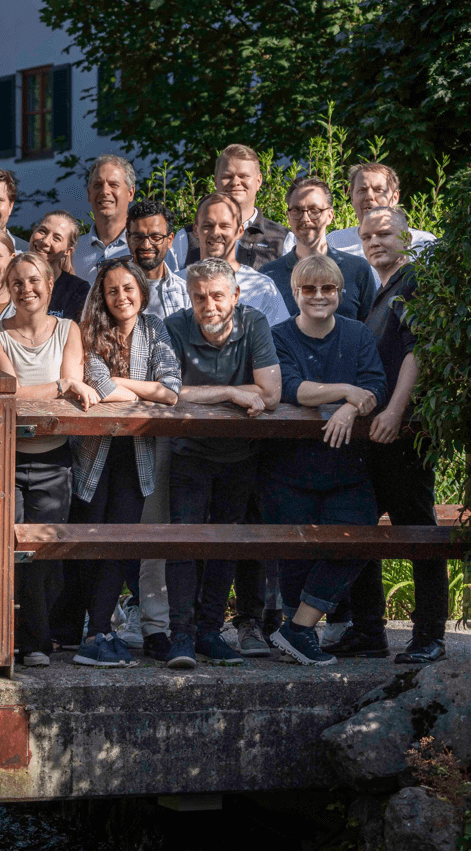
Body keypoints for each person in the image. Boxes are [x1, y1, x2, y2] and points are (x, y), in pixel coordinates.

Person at [322, 208, 447, 664]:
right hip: (372, 436)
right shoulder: (381, 292)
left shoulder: (413, 281)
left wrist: (395, 411)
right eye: (367, 236)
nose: (374, 242)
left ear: (407, 237)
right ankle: (369, 632)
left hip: (404, 434)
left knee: (419, 533)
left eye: (384, 234)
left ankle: (430, 636)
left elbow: (418, 350)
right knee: (359, 528)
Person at [263, 254, 387, 666]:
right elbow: (290, 387)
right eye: (309, 288)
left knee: (358, 536)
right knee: (295, 554)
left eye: (328, 288)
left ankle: (297, 630)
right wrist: (347, 391)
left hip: (346, 467)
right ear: (295, 292)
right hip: (289, 467)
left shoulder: (357, 334)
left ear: (340, 292)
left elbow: (375, 385)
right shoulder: (278, 336)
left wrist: (350, 408)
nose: (319, 296)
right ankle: (298, 635)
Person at [163, 258, 281, 670]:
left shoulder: (254, 322)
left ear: (235, 295)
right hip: (189, 452)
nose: (208, 305)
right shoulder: (175, 326)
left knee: (226, 544)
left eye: (217, 296)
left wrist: (201, 392)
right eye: (199, 297)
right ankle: (181, 634)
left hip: (241, 455)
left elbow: (271, 393)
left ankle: (211, 632)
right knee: (183, 543)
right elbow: (169, 390)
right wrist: (231, 393)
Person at [65, 260, 181, 668]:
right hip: (94, 453)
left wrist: (125, 386)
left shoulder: (155, 329)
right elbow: (99, 385)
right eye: (112, 290)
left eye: (128, 288)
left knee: (119, 543)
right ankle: (78, 629)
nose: (121, 297)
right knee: (89, 541)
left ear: (141, 290)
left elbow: (171, 390)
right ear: (102, 294)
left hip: (137, 453)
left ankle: (99, 631)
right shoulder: (89, 330)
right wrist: (143, 389)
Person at [0, 252, 99, 666]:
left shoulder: (68, 329)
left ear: (50, 285)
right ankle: (14, 641)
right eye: (17, 282)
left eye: (34, 280)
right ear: (8, 288)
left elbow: (74, 383)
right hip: (5, 457)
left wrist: (62, 386)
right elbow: (8, 393)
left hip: (54, 459)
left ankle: (36, 639)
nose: (26, 289)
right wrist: (59, 385)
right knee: (6, 548)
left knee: (44, 553)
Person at [123, 198, 190, 658]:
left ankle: (158, 624)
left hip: (175, 427)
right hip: (119, 425)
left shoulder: (186, 291)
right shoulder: (112, 286)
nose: (146, 243)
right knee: (121, 526)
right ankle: (125, 619)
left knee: (161, 528)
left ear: (170, 239)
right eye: (137, 236)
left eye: (155, 235)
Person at [260, 178, 375, 321]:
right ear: (288, 217)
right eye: (296, 210)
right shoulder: (269, 275)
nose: (305, 218)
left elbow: (372, 328)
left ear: (330, 215)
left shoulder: (358, 269)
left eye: (314, 210)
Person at [283, 162, 437, 265]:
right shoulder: (333, 242)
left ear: (395, 197)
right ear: (352, 197)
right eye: (362, 190)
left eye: (378, 190)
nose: (369, 196)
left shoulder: (423, 244)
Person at [172, 144, 288, 270]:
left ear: (258, 181)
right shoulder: (186, 238)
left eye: (244, 176)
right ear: (216, 181)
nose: (235, 182)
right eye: (227, 176)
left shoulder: (282, 238)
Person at [179, 194, 289, 326]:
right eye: (208, 225)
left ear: (240, 231)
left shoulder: (261, 288)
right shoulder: (177, 285)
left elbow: (280, 336)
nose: (216, 233)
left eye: (224, 226)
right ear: (196, 230)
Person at [72, 155, 137, 284]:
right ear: (89, 194)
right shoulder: (73, 252)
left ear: (130, 193)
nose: (105, 191)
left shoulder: (146, 247)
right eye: (98, 185)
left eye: (113, 185)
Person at [28, 211, 90, 321]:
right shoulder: (8, 278)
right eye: (42, 231)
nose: (45, 241)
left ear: (67, 251)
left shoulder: (77, 290)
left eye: (56, 238)